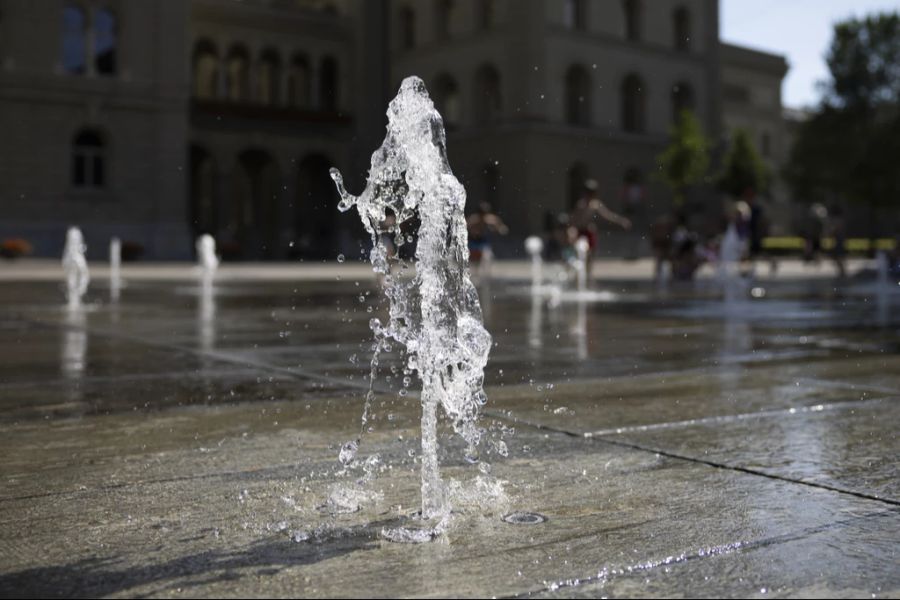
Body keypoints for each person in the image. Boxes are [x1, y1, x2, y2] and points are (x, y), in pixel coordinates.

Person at [569, 179, 631, 285]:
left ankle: (587, 276)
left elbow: (608, 216)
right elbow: (573, 220)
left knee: (590, 256)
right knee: (579, 254)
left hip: (589, 232)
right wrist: (572, 231)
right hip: (580, 232)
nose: (589, 195)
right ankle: (577, 277)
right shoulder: (581, 204)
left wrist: (621, 221)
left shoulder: (595, 205)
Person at [467, 202, 508, 276]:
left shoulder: (491, 220)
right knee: (474, 263)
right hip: (473, 242)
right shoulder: (473, 220)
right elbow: (465, 228)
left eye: (484, 214)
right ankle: (475, 276)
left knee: (486, 257)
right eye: (481, 214)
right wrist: (472, 231)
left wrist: (499, 229)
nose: (482, 216)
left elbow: (502, 228)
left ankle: (486, 276)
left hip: (483, 242)